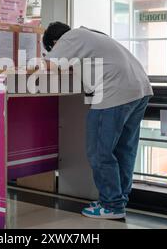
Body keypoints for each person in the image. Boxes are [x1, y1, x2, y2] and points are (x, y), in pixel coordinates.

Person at [43, 22, 153, 220]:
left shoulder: (71, 37)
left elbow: (49, 67)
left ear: (55, 42)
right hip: (140, 89)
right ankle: (118, 200)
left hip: (114, 92)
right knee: (124, 150)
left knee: (99, 151)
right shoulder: (94, 34)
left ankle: (111, 204)